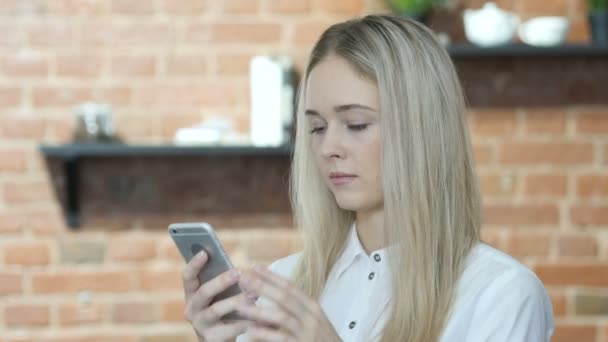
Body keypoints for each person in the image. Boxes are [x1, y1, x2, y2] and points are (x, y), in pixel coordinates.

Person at [181, 15, 554, 342]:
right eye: (316, 127)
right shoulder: (284, 285)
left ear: (422, 129)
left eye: (356, 124)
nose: (328, 147)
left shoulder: (501, 293)